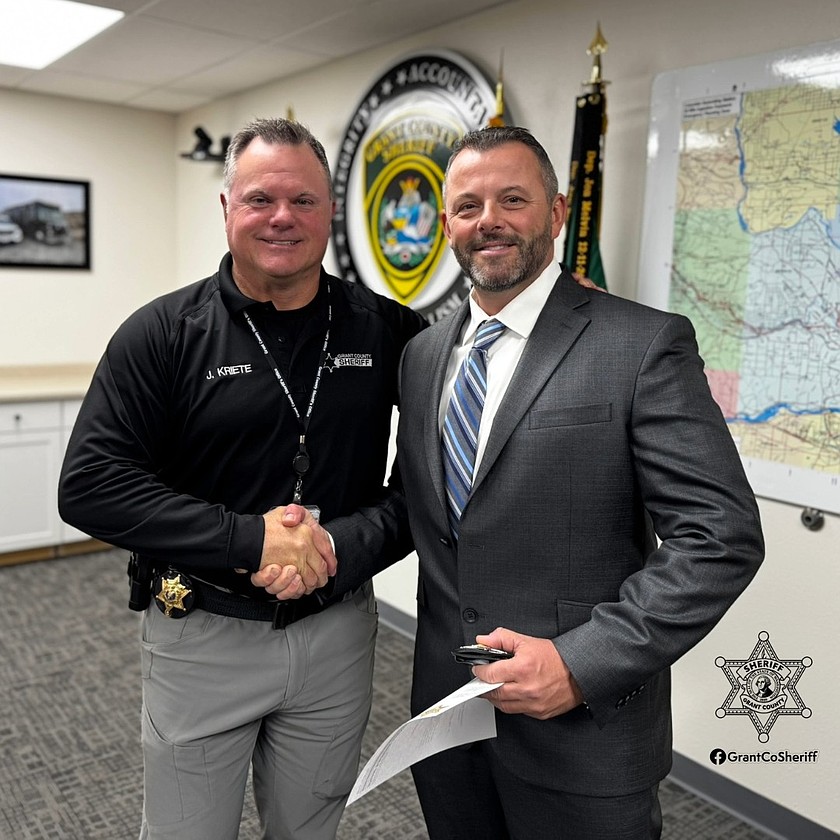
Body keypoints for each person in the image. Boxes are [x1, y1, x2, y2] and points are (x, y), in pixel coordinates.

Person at [58, 117, 427, 840]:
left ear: (330, 212)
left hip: (337, 633)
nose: (282, 217)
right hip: (202, 634)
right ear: (226, 209)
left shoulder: (388, 330)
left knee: (311, 827)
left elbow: (428, 484)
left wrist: (340, 547)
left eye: (304, 201)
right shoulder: (162, 332)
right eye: (260, 199)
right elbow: (92, 483)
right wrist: (249, 541)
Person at [395, 125, 765, 839]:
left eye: (513, 199)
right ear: (447, 226)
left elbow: (718, 538)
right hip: (448, 721)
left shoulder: (642, 343)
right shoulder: (420, 356)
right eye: (468, 206)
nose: (489, 221)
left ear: (558, 213)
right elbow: (415, 505)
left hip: (584, 736)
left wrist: (579, 662)